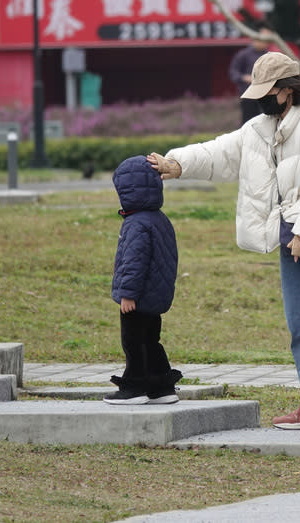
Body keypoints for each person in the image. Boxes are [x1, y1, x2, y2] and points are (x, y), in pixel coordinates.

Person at [147, 52, 300, 431]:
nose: (260, 100)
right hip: (289, 237)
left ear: (286, 91)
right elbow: (220, 152)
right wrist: (176, 163)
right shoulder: (262, 127)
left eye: (267, 92)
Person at [105, 155, 182, 405]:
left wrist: (128, 294)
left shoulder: (136, 223)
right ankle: (161, 386)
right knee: (151, 340)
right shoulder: (160, 219)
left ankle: (134, 386)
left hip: (136, 298)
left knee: (133, 342)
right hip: (155, 295)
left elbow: (133, 262)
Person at [229, 23, 273, 125]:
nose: (264, 43)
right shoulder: (243, 55)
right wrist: (244, 77)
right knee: (248, 123)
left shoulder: (269, 56)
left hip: (266, 95)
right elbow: (233, 73)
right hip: (248, 95)